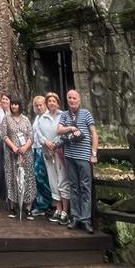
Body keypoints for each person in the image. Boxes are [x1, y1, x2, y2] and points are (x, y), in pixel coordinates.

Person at [57, 89, 98, 233]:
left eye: (74, 98)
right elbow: (59, 130)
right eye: (70, 98)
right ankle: (75, 216)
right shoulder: (64, 115)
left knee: (85, 187)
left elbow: (94, 133)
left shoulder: (86, 114)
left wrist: (93, 153)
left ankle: (85, 219)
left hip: (84, 156)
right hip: (70, 156)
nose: (72, 100)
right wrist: (71, 128)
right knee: (74, 186)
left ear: (79, 100)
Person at [34, 91, 70, 224]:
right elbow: (39, 134)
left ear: (58, 102)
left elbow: (64, 132)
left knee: (62, 180)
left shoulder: (63, 116)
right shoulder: (43, 118)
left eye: (53, 101)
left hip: (60, 151)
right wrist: (45, 143)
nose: (51, 103)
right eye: (49, 101)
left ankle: (66, 210)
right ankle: (58, 208)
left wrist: (55, 144)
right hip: (48, 152)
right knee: (53, 181)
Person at [1, 97, 36, 219]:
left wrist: (25, 147)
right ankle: (13, 206)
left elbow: (31, 136)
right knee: (12, 178)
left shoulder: (25, 119)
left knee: (28, 178)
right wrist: (14, 148)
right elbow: (4, 136)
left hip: (26, 154)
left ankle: (28, 208)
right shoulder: (6, 118)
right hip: (12, 154)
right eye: (13, 104)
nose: (14, 107)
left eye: (16, 104)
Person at [30, 95, 54, 216]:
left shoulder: (48, 117)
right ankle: (42, 202)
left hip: (43, 149)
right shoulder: (38, 117)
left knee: (42, 176)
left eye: (41, 105)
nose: (39, 107)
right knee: (39, 177)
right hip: (36, 148)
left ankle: (45, 204)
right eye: (37, 105)